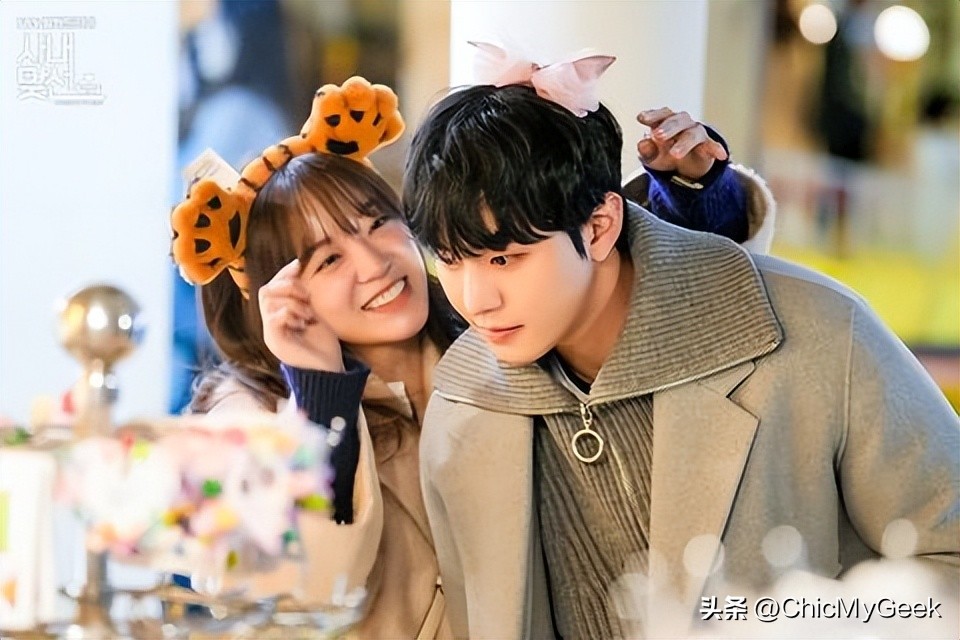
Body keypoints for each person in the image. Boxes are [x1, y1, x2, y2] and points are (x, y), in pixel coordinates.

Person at [170, 74, 776, 637]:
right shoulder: (241, 421)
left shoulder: (500, 340)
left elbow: (637, 305)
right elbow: (282, 597)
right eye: (328, 259)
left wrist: (695, 197)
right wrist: (318, 392)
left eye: (378, 223)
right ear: (276, 296)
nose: (375, 264)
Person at [402, 82, 960, 637]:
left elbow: (949, 557)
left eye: (504, 259)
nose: (476, 300)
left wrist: (780, 623)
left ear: (599, 227)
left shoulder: (820, 331)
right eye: (450, 260)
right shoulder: (459, 411)